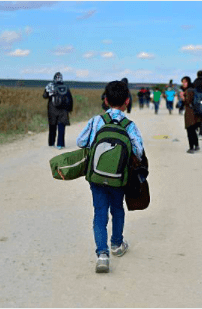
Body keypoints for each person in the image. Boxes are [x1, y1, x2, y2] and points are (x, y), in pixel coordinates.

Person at [76, 80, 144, 273]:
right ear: (127, 102)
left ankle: (102, 255)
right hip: (118, 178)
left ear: (105, 100)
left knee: (99, 213)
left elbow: (80, 141)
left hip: (96, 177)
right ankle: (116, 244)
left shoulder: (96, 121)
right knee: (117, 209)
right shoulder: (129, 125)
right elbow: (138, 152)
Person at [43, 72, 73, 150]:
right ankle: (60, 144)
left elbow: (44, 96)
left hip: (52, 110)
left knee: (52, 127)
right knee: (61, 127)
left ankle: (51, 143)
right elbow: (70, 99)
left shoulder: (51, 86)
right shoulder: (66, 87)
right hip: (63, 111)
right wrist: (69, 109)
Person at [181, 76, 201, 153]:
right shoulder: (193, 89)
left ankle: (191, 147)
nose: (183, 83)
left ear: (188, 82)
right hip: (195, 113)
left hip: (190, 113)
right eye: (182, 82)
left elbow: (187, 102)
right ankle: (197, 145)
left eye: (185, 82)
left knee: (189, 131)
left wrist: (183, 97)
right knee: (193, 130)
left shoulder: (188, 91)